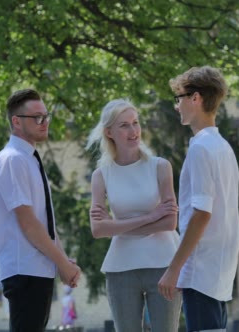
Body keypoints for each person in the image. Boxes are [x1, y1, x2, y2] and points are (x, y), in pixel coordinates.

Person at [0, 89, 81, 332]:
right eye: (37, 117)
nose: (45, 122)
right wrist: (63, 263)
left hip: (36, 269)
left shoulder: (28, 158)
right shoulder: (13, 159)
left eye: (46, 116)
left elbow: (44, 221)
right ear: (16, 122)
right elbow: (28, 224)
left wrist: (62, 262)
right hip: (24, 269)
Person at [86, 99, 182, 332]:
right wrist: (150, 217)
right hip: (121, 269)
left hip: (164, 266)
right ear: (109, 132)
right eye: (124, 125)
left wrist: (117, 226)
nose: (133, 131)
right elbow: (98, 230)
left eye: (135, 123)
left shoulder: (160, 167)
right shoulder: (101, 176)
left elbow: (170, 222)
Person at [158, 66, 239, 332]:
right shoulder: (223, 147)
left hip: (202, 269)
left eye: (179, 98)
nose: (177, 106)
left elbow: (201, 214)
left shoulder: (201, 148)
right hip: (220, 270)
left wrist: (174, 269)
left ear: (195, 98)